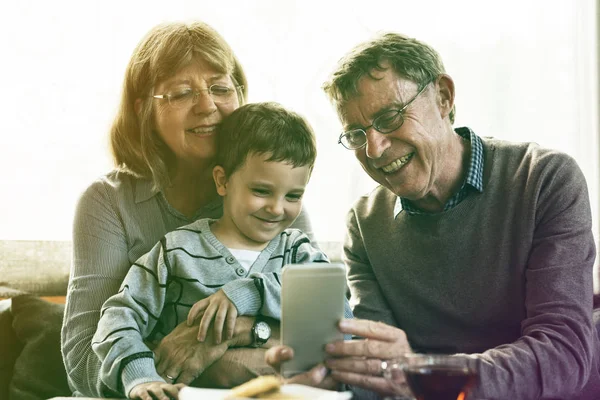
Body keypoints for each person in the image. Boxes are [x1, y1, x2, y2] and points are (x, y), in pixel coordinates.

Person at [267, 32, 600, 399]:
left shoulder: (543, 179)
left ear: (443, 97)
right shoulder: (364, 224)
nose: (375, 149)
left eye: (390, 117)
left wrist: (421, 374)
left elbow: (563, 356)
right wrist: (330, 374)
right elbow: (383, 375)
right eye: (357, 135)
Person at [61, 22, 316, 397]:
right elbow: (83, 358)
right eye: (181, 93)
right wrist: (157, 376)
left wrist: (232, 335)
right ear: (144, 109)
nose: (207, 106)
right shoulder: (108, 204)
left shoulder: (275, 207)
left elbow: (321, 339)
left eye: (220, 88)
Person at [91, 102, 353, 399]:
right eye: (261, 191)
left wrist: (251, 292)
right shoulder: (176, 251)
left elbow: (342, 325)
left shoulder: (299, 253)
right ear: (222, 180)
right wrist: (140, 378)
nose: (277, 208)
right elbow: (117, 318)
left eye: (293, 195)